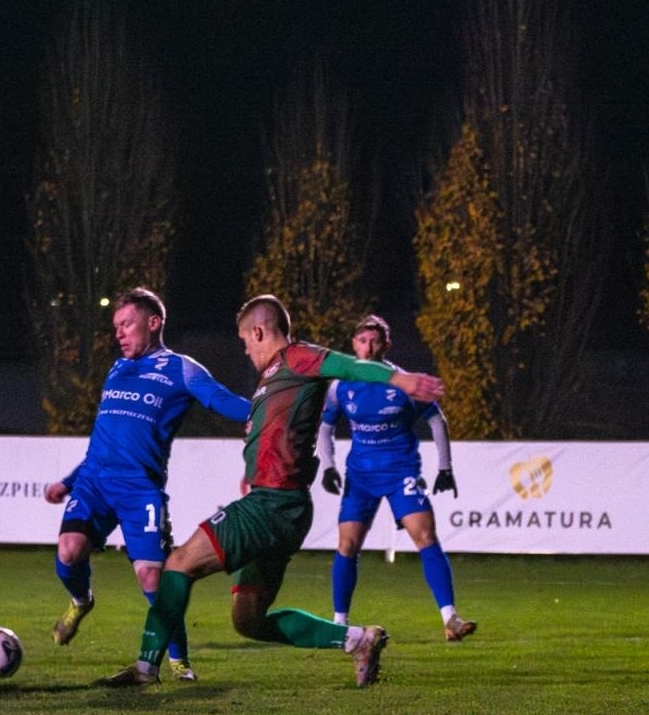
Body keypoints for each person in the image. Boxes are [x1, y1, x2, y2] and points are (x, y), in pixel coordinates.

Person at [100, 295, 444, 688]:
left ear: (259, 332)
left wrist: (401, 380)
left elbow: (346, 365)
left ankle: (145, 668)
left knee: (178, 563)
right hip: (279, 504)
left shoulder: (298, 357)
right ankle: (357, 639)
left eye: (246, 341)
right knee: (248, 620)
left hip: (273, 504)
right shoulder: (272, 378)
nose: (246, 350)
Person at [42, 287, 249, 681]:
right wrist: (69, 482)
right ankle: (81, 600)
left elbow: (222, 401)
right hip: (94, 484)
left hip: (140, 490)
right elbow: (103, 438)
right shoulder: (117, 368)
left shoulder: (180, 369)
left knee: (154, 577)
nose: (118, 334)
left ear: (154, 323)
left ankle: (179, 662)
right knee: (69, 552)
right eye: (115, 326)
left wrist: (266, 408)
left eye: (126, 324)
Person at [317, 314, 476, 641]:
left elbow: (436, 420)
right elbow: (326, 426)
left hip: (400, 470)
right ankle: (338, 624)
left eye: (375, 341)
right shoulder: (341, 385)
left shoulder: (403, 383)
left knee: (425, 537)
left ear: (386, 345)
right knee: (347, 544)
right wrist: (328, 464)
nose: (368, 346)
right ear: (354, 344)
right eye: (363, 340)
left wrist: (445, 467)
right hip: (360, 475)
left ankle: (450, 619)